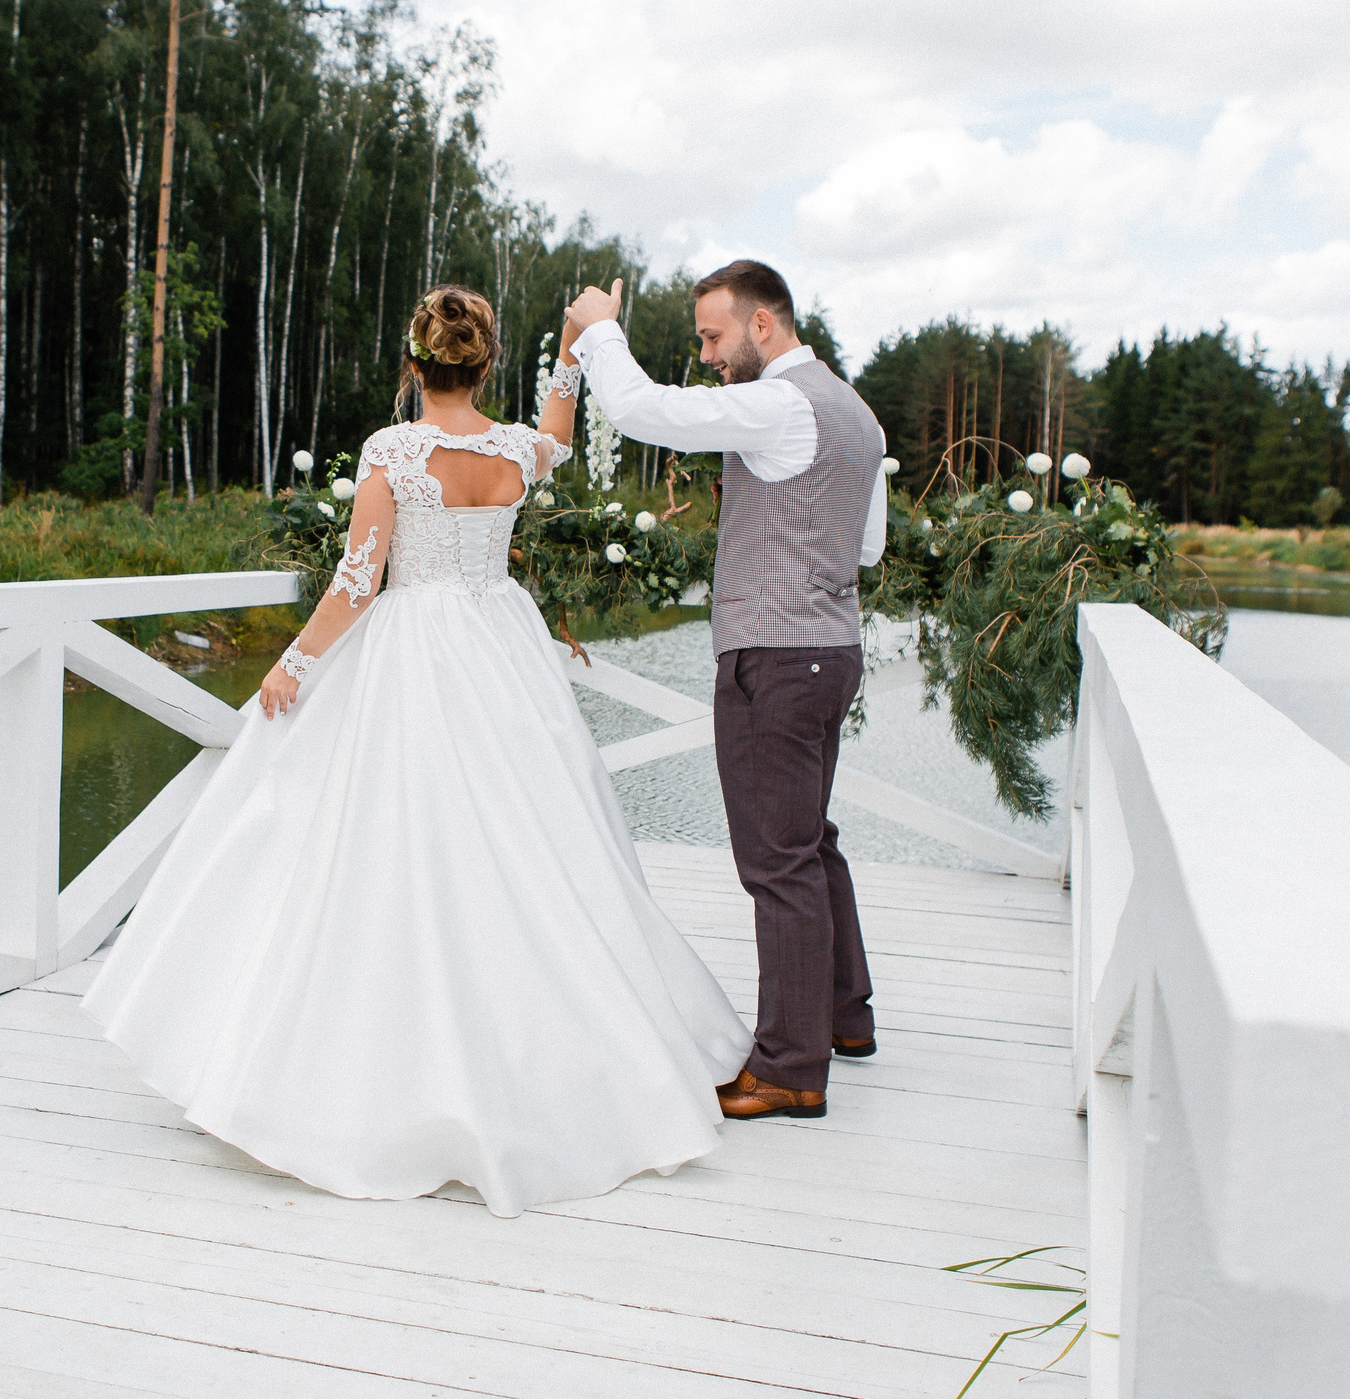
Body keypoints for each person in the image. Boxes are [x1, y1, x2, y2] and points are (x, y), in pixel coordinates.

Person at [85, 286, 751, 1218]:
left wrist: (292, 663)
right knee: (531, 847)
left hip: (414, 652)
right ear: (483, 364)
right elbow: (559, 427)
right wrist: (568, 351)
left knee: (387, 844)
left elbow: (360, 579)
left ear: (413, 365)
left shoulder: (393, 451)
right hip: (501, 649)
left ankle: (378, 1067)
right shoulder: (518, 448)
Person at [562, 260, 888, 1121]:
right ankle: (844, 1016)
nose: (706, 355)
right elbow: (866, 549)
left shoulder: (782, 403)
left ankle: (789, 1065)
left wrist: (598, 326)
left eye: (713, 336)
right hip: (830, 648)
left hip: (773, 659)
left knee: (775, 863)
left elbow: (643, 411)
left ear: (765, 326)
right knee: (810, 841)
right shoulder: (856, 414)